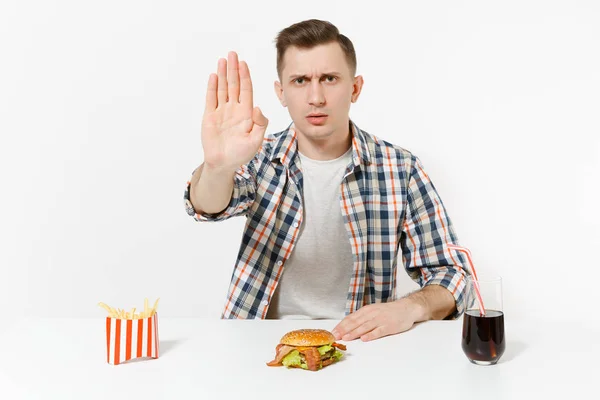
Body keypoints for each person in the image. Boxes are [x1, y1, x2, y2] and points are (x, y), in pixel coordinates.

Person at [184, 19, 471, 342]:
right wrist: (217, 166)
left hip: (357, 345)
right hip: (260, 343)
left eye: (329, 79)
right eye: (300, 80)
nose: (316, 97)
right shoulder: (257, 156)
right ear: (281, 92)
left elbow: (453, 276)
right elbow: (207, 206)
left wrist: (409, 308)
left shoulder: (399, 168)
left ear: (355, 88)